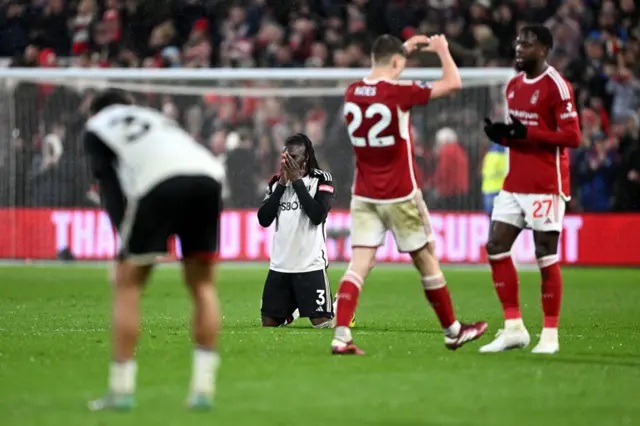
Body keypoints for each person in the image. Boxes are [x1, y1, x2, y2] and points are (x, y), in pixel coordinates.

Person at [331, 34, 488, 355]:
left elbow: (380, 80)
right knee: (426, 257)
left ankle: (341, 336)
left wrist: (404, 49)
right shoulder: (399, 92)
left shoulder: (351, 93)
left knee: (358, 264)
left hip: (363, 194)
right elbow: (453, 83)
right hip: (400, 193)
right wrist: (443, 50)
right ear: (397, 63)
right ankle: (453, 331)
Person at [83, 89, 225, 410]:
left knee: (128, 283)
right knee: (202, 284)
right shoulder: (155, 117)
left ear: (95, 111)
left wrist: (124, 247)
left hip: (160, 181)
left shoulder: (97, 127)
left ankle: (121, 392)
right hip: (209, 177)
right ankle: (202, 391)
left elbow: (109, 186)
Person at [481, 25, 581, 354]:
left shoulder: (557, 87)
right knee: (495, 246)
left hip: (545, 184)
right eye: (518, 43)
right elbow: (521, 133)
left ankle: (549, 335)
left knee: (544, 254)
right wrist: (504, 136)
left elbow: (572, 136)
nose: (519, 49)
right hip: (515, 181)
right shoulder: (512, 86)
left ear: (544, 50)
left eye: (527, 44)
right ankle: (514, 328)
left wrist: (529, 135)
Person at [258, 133, 342, 329]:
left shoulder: (321, 180)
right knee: (268, 324)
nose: (289, 160)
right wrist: (282, 185)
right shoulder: (276, 183)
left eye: (294, 157)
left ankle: (339, 308)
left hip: (310, 266)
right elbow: (264, 220)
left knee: (323, 324)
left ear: (306, 158)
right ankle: (293, 309)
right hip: (280, 266)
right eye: (286, 156)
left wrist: (297, 182)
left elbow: (317, 216)